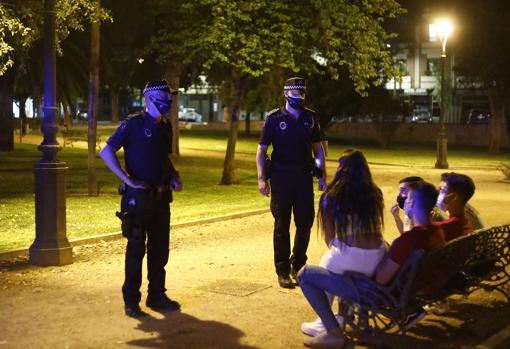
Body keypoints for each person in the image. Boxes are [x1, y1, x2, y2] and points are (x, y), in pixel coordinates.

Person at [298, 180, 445, 348]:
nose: (405, 200)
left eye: (408, 198)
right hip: (412, 290)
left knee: (306, 274)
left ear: (412, 203)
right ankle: (344, 318)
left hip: (380, 295)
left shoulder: (407, 241)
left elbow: (380, 280)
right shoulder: (437, 231)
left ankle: (333, 332)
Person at [99, 80, 182, 318]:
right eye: (165, 96)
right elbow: (105, 151)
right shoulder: (132, 124)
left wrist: (174, 175)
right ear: (150, 98)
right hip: (137, 199)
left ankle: (157, 296)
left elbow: (163, 156)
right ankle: (131, 301)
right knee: (136, 250)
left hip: (161, 198)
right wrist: (127, 178)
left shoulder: (166, 126)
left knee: (160, 250)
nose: (169, 101)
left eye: (170, 97)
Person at [300, 149, 387, 337]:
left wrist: (342, 250)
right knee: (334, 262)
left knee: (328, 263)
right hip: (377, 256)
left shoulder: (332, 196)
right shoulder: (375, 193)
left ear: (341, 169)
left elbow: (330, 239)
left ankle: (325, 322)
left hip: (350, 256)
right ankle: (349, 313)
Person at [256, 77, 327, 289]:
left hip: (304, 177)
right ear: (286, 93)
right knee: (281, 225)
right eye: (296, 93)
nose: (299, 97)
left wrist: (322, 174)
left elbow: (318, 148)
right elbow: (261, 150)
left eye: (302, 93)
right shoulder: (274, 118)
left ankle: (298, 265)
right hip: (280, 177)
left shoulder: (311, 118)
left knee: (305, 223)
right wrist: (261, 178)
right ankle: (283, 270)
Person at [435, 172, 477, 241]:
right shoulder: (466, 224)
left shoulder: (444, 227)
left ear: (453, 197)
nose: (437, 194)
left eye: (442, 191)